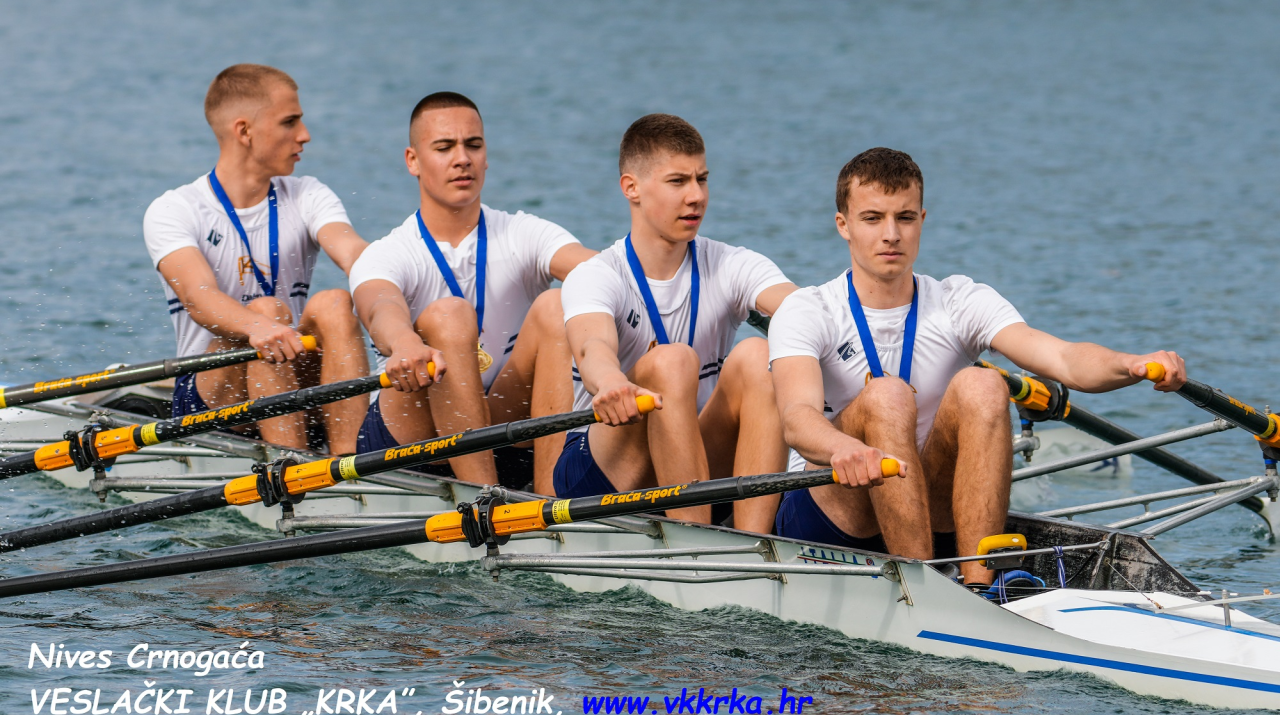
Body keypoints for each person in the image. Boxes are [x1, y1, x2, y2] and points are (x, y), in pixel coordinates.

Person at [767, 147, 1186, 584]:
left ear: (922, 221)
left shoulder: (958, 300)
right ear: (844, 225)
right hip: (832, 516)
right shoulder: (808, 309)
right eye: (873, 218)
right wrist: (842, 449)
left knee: (983, 385)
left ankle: (982, 588)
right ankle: (922, 587)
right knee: (887, 394)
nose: (891, 234)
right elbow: (797, 419)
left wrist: (1133, 363)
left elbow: (1064, 360)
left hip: (931, 506)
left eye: (905, 218)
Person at [557, 114, 797, 533]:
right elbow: (592, 346)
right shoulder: (597, 275)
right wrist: (611, 382)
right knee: (672, 362)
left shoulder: (730, 264)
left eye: (702, 180)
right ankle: (699, 551)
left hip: (690, 454)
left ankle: (755, 547)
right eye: (677, 182)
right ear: (631, 188)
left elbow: (799, 308)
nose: (696, 196)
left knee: (760, 355)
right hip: (599, 470)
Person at [348, 92, 595, 490]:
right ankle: (486, 500)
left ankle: (549, 505)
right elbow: (379, 307)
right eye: (444, 147)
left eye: (473, 145)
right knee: (450, 315)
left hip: (497, 428)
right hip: (410, 445)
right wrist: (405, 341)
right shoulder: (388, 253)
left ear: (486, 156)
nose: (462, 158)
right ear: (412, 160)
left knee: (555, 305)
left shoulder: (524, 233)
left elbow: (595, 270)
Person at [144, 64, 370, 454]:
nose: (305, 135)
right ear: (244, 131)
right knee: (269, 311)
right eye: (290, 122)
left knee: (334, 303)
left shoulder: (307, 194)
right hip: (210, 398)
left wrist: (404, 299)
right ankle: (292, 465)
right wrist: (257, 326)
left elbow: (355, 254)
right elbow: (199, 297)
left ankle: (349, 463)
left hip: (287, 376)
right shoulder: (175, 209)